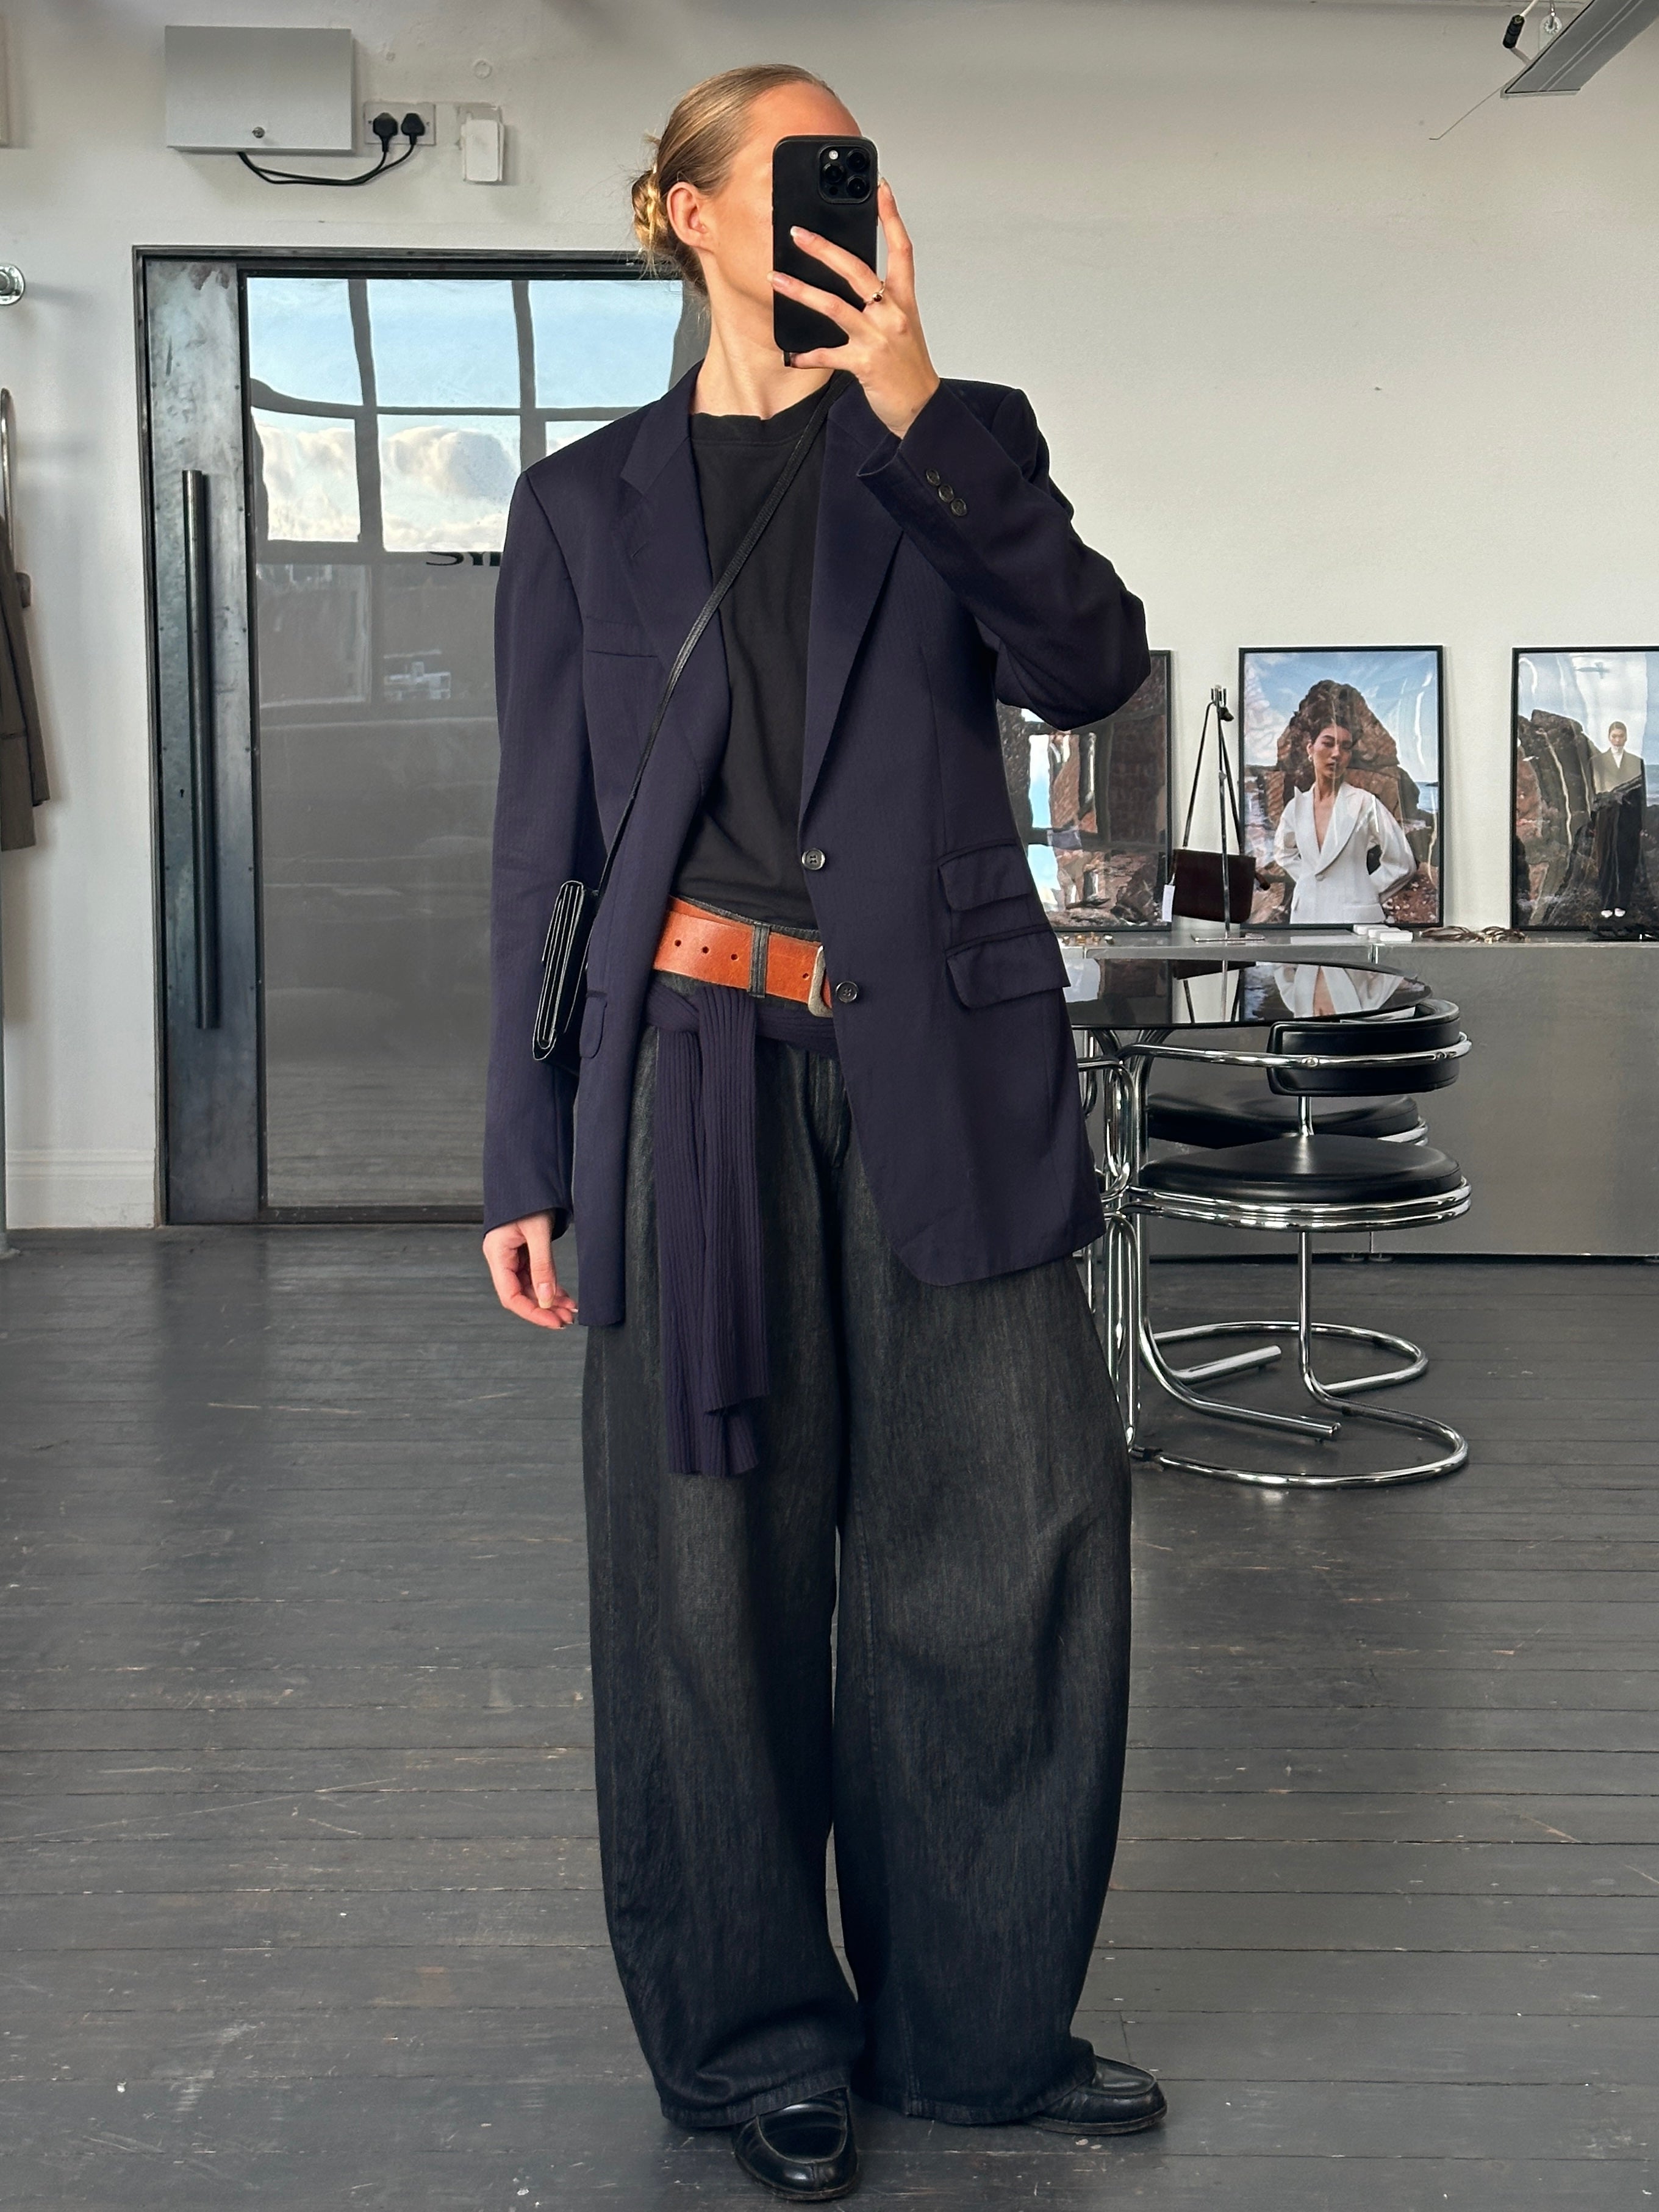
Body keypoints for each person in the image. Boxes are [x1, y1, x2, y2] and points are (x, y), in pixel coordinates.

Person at [481, 64, 1159, 2203]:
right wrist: (526, 1148)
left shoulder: (954, 439)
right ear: (686, 211)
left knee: (1014, 1542)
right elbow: (541, 850)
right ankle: (757, 2040)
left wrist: (917, 401)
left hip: (947, 1068)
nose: (835, 213)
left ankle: (979, 2026)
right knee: (707, 1584)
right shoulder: (581, 506)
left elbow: (1092, 665)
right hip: (687, 1080)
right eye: (792, 175)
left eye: (854, 179)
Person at [1272, 719, 1417, 925]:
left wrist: (1365, 890)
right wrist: (1309, 880)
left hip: (1355, 919)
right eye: (1328, 743)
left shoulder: (1365, 803)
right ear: (1310, 748)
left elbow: (1402, 862)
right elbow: (1283, 852)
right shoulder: (1297, 807)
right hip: (1306, 915)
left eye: (1346, 747)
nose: (1336, 754)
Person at [1591, 719, 1644, 919]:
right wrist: (1592, 821)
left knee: (1626, 860)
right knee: (1606, 861)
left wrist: (1640, 824)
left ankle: (1622, 902)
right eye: (1614, 736)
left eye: (1621, 736)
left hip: (1628, 819)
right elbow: (1593, 792)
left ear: (1626, 738)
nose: (1617, 740)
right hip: (1606, 818)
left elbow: (1641, 797)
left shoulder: (1636, 762)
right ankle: (1607, 902)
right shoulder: (1598, 761)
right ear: (1609, 737)